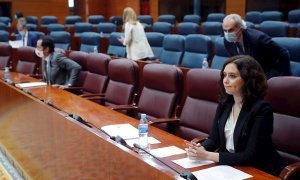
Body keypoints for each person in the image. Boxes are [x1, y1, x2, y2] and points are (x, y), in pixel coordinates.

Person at [185, 55, 285, 176]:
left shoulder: (261, 109)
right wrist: (198, 149)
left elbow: (250, 156)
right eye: (224, 75)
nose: (225, 80)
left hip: (259, 170)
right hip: (232, 168)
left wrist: (208, 155)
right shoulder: (225, 104)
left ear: (248, 79)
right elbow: (213, 139)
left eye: (232, 76)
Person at [222, 14, 290, 79]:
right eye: (225, 30)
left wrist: (284, 78)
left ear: (241, 28)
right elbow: (234, 59)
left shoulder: (258, 39)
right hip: (247, 72)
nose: (227, 34)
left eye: (231, 30)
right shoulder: (227, 40)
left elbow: (284, 53)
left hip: (265, 71)